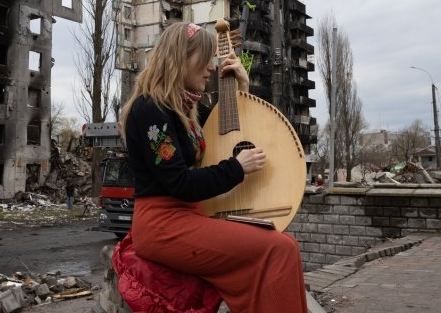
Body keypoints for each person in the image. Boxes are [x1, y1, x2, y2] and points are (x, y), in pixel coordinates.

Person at [118, 22, 308, 313]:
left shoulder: (186, 109)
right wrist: (236, 168)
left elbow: (234, 129)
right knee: (278, 249)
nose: (211, 67)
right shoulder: (150, 111)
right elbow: (180, 184)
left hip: (188, 217)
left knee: (287, 246)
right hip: (162, 225)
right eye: (205, 58)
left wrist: (242, 89)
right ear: (182, 57)